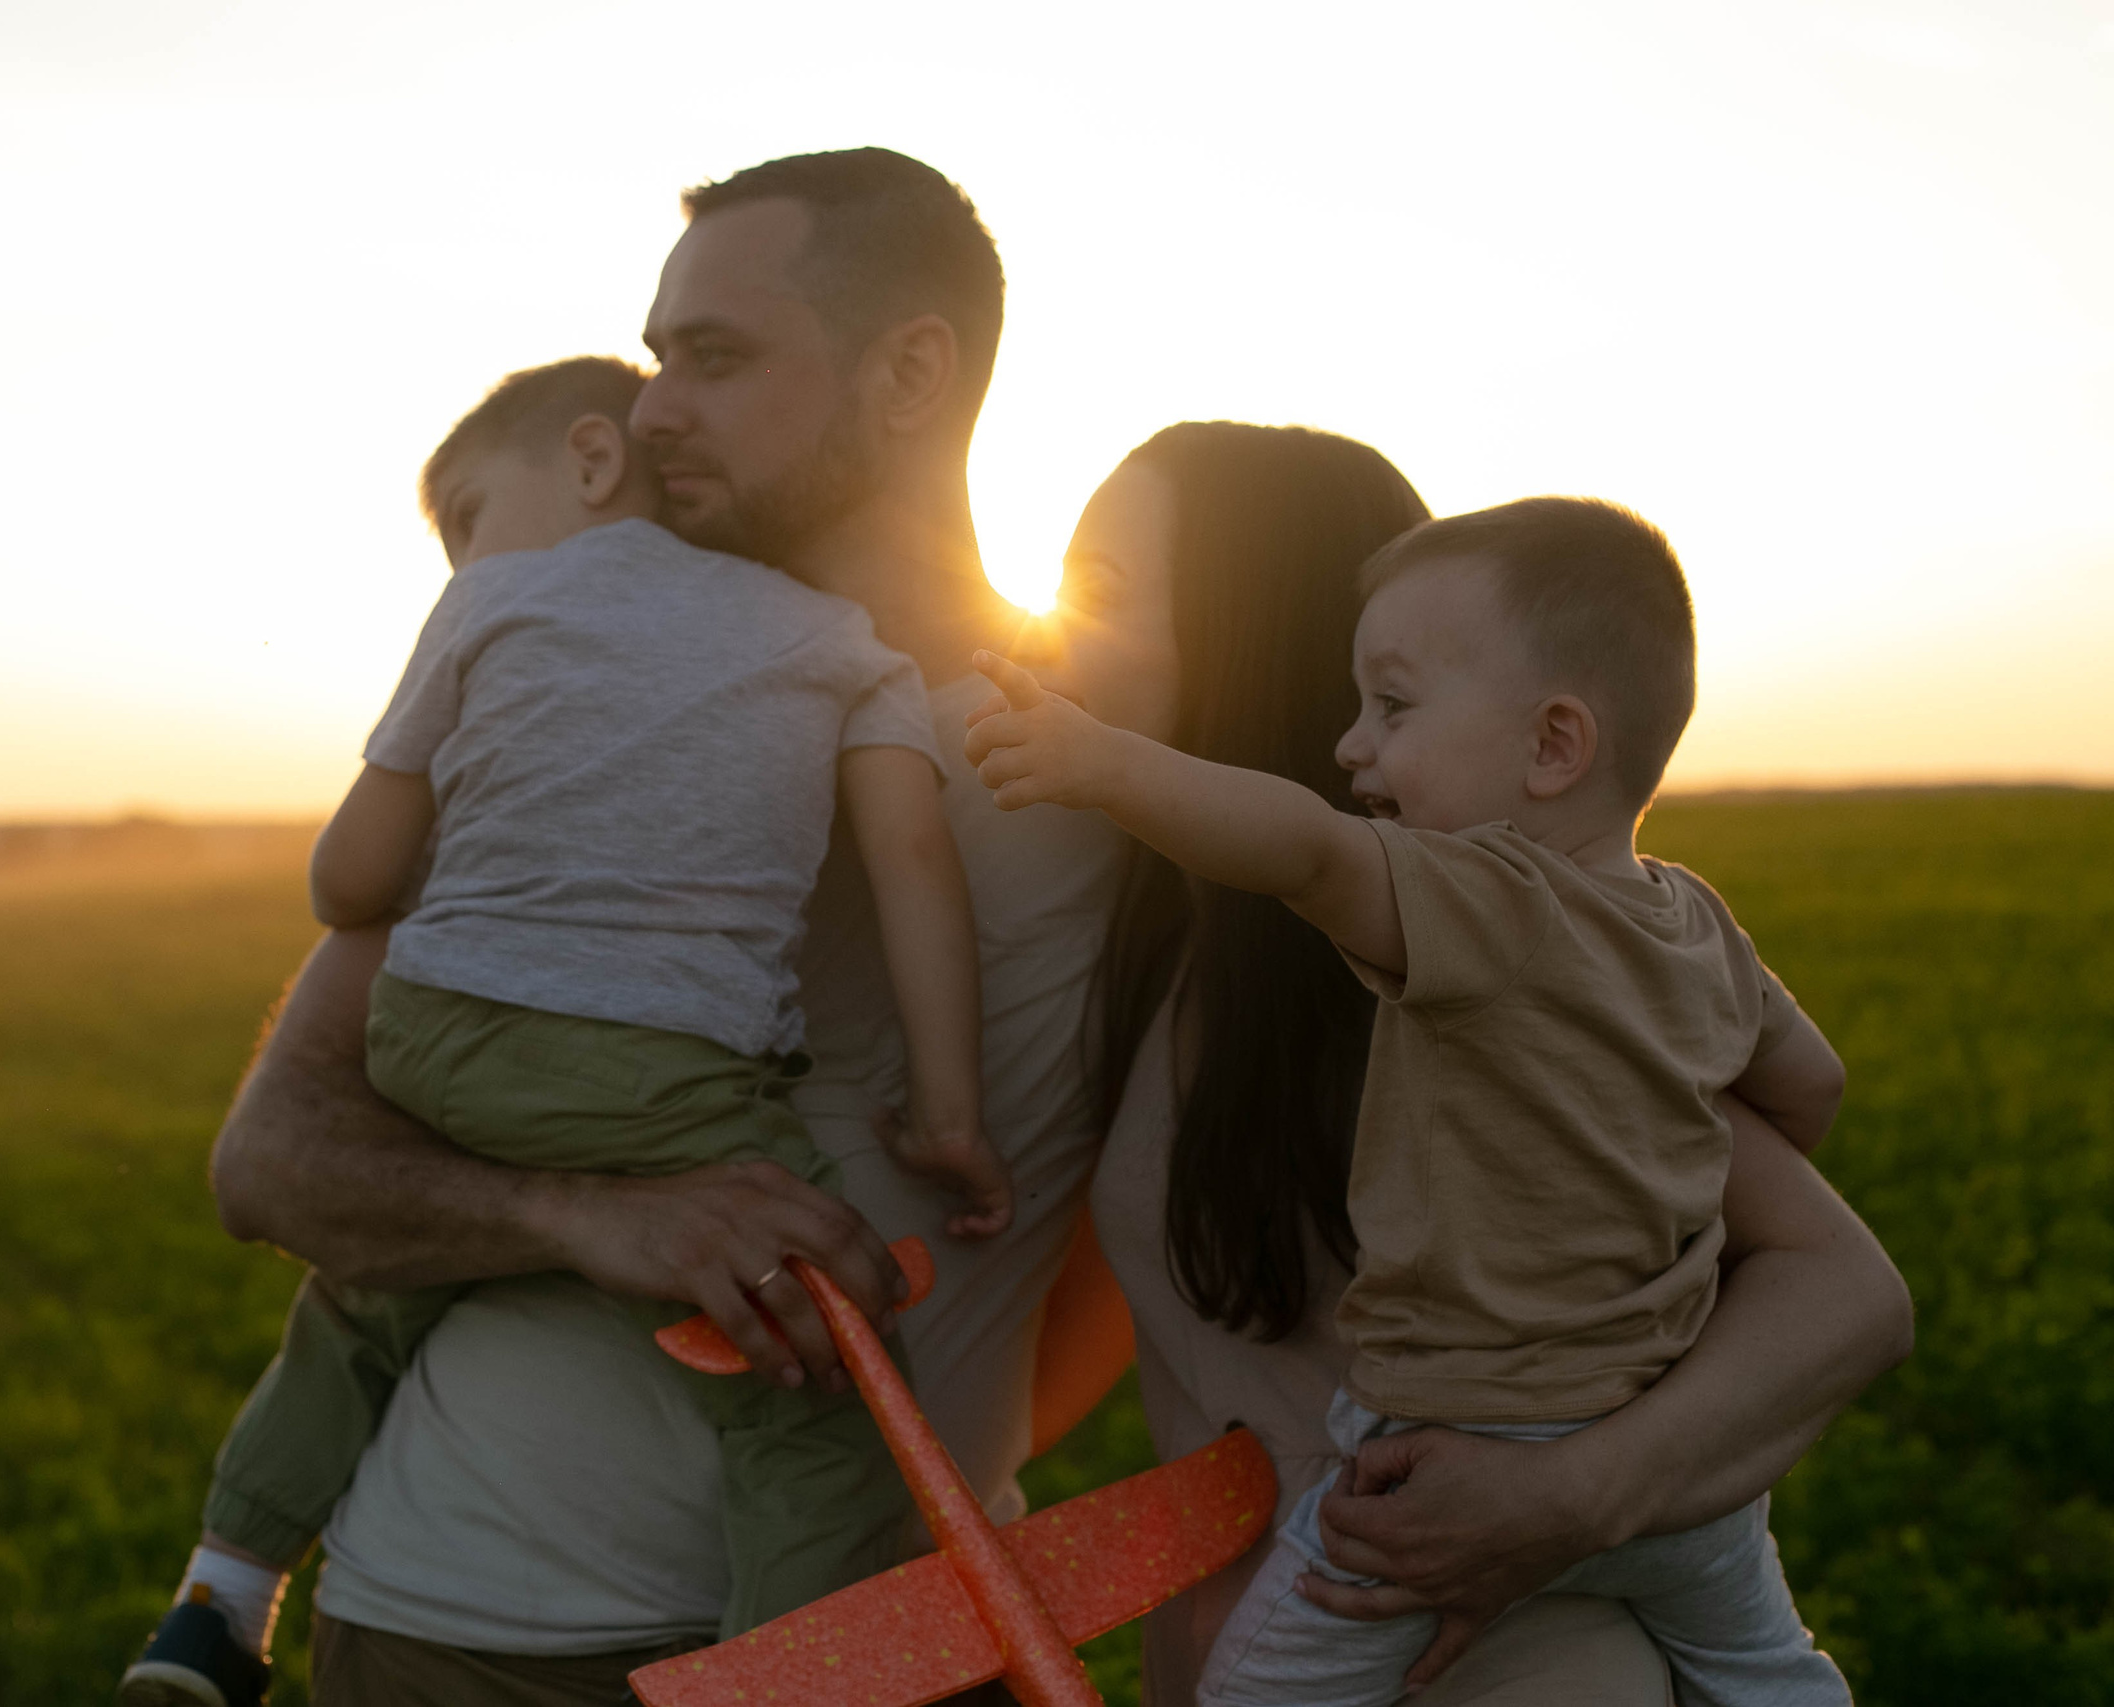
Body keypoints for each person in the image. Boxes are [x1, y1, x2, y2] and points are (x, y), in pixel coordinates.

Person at [204, 148, 1909, 1706]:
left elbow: (1765, 1209)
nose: (651, 416)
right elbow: (274, 1157)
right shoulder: (600, 693)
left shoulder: (1156, 829)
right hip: (477, 1628)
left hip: (888, 1642)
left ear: (913, 369)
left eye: (713, 359)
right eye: (653, 360)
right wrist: (587, 1211)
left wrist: (1556, 1503)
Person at [120, 353, 1012, 1706]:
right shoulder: (841, 639)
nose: (460, 557)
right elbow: (914, 868)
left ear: (594, 462)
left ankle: (221, 1598)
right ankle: (784, 1682)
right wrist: (947, 1109)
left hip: (434, 1039)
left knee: (364, 1293)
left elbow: (345, 881)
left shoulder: (487, 606)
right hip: (665, 1080)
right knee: (820, 1374)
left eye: (469, 516)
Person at [968, 491, 1863, 1705]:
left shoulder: (1470, 925)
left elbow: (1852, 1289)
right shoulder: (1685, 923)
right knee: (1772, 1671)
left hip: (1442, 1567)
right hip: (1643, 1528)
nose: (1043, 641)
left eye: (1105, 591)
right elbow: (1810, 1083)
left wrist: (1099, 763)